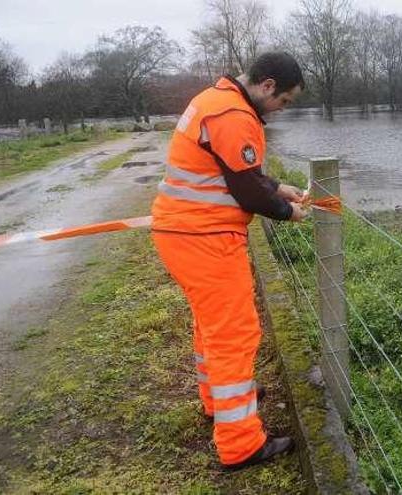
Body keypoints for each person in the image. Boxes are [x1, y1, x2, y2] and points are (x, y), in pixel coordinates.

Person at [150, 52, 309, 470]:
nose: (282, 110)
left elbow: (238, 171)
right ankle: (240, 444)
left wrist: (279, 186)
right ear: (268, 85)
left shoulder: (215, 100)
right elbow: (247, 192)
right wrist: (287, 211)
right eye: (285, 101)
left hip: (183, 233)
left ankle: (217, 402)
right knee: (235, 333)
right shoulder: (236, 115)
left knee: (212, 327)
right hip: (204, 238)